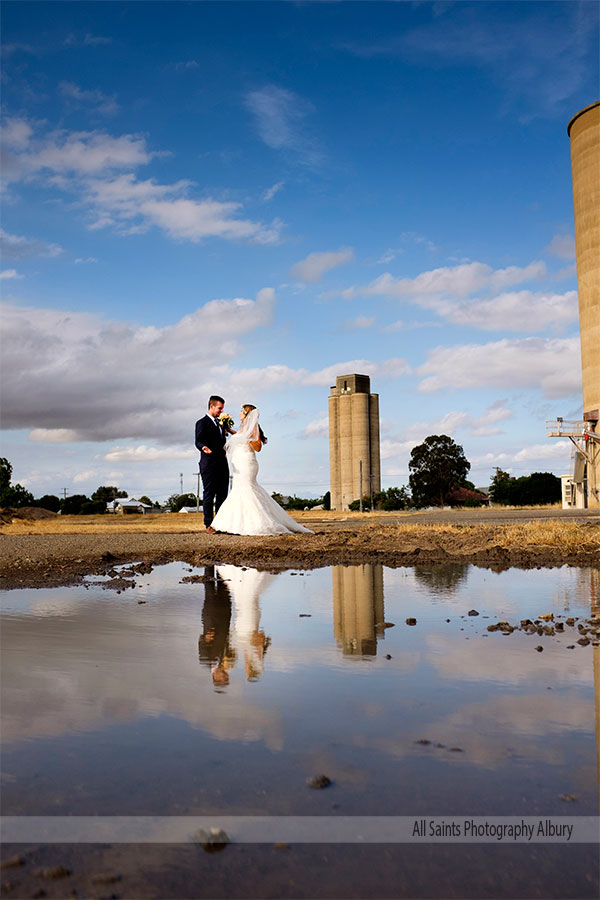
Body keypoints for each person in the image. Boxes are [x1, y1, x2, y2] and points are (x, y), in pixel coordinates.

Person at [211, 405, 313, 536]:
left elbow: (257, 446)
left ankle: (258, 523)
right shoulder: (244, 427)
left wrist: (247, 439)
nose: (240, 414)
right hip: (239, 464)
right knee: (239, 490)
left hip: (246, 464)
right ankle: (235, 524)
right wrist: (229, 430)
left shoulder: (253, 427)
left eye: (242, 412)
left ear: (247, 414)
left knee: (246, 489)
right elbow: (241, 437)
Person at [195, 395, 232, 534]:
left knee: (223, 494)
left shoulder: (221, 424)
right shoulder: (201, 423)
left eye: (222, 409)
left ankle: (220, 523)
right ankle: (208, 524)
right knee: (209, 494)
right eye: (219, 408)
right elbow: (198, 441)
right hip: (209, 464)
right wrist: (203, 447)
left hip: (223, 464)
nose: (221, 411)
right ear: (211, 406)